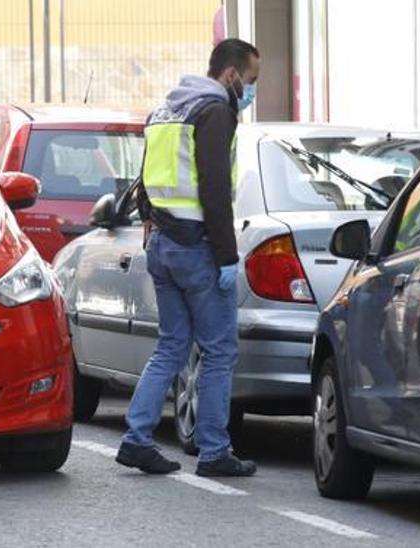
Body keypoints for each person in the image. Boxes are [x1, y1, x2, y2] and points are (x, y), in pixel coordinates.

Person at [115, 38, 260, 478]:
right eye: (251, 80)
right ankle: (214, 451)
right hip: (197, 245)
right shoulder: (215, 111)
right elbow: (215, 191)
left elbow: (145, 179)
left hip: (162, 242)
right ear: (232, 75)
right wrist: (227, 255)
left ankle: (137, 439)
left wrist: (150, 224)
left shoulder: (165, 111)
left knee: (172, 346)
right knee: (219, 350)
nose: (251, 90)